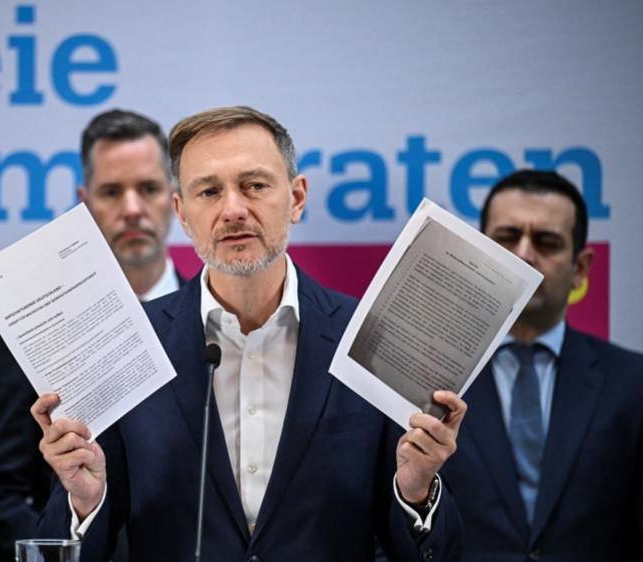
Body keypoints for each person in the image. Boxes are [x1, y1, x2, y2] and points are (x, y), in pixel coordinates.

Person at [31, 106, 467, 562]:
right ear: (181, 212)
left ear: (297, 198)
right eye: (209, 191)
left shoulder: (367, 336)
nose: (233, 210)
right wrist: (83, 502)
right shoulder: (130, 344)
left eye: (254, 186)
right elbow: (69, 548)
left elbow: (436, 552)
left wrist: (416, 495)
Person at [441, 169, 643, 560]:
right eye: (506, 238)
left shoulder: (639, 385)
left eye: (547, 241)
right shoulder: (431, 374)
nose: (524, 254)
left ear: (580, 269)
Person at [0, 109, 183, 562]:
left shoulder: (210, 319)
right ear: (84, 202)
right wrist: (60, 544)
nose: (132, 208)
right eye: (112, 192)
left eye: (148, 189)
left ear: (174, 197)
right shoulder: (32, 328)